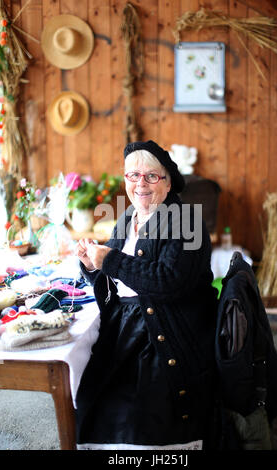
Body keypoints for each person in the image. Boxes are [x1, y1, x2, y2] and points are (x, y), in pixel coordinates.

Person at [74, 140, 218, 450]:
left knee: (136, 415)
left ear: (167, 182)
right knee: (92, 394)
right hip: (129, 323)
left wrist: (108, 261)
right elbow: (113, 270)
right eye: (132, 175)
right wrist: (92, 266)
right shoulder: (129, 216)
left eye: (151, 176)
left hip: (169, 332)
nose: (141, 183)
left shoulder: (187, 221)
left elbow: (169, 282)